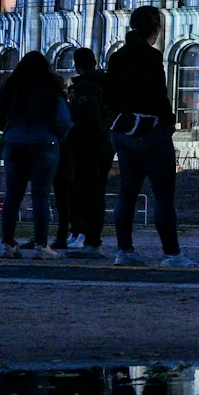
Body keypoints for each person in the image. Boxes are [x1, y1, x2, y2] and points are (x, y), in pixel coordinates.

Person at [104, 6, 190, 267]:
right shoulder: (151, 56)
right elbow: (158, 95)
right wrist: (167, 122)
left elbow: (110, 96)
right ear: (155, 29)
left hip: (123, 131)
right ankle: (172, 254)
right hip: (149, 131)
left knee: (127, 191)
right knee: (163, 194)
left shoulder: (117, 56)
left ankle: (124, 251)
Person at [0, 50, 72, 259]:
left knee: (13, 196)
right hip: (44, 143)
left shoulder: (11, 89)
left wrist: (10, 130)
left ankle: (8, 244)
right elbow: (64, 119)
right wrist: (56, 136)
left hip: (15, 142)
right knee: (40, 196)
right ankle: (41, 246)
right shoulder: (52, 90)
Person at [57, 47, 114, 257]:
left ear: (76, 65)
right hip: (106, 144)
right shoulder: (107, 85)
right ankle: (88, 237)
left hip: (87, 146)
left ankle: (90, 240)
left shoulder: (84, 88)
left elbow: (86, 120)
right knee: (96, 193)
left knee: (87, 194)